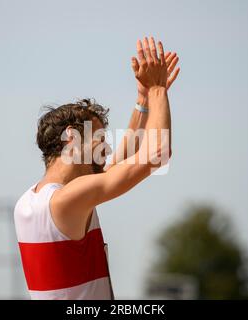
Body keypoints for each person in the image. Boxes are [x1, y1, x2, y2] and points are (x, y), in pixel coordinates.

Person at [14, 36, 180, 299]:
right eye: (100, 141)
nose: (108, 151)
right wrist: (158, 89)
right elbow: (156, 154)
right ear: (72, 137)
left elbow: (116, 168)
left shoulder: (31, 201)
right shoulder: (65, 200)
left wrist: (144, 101)